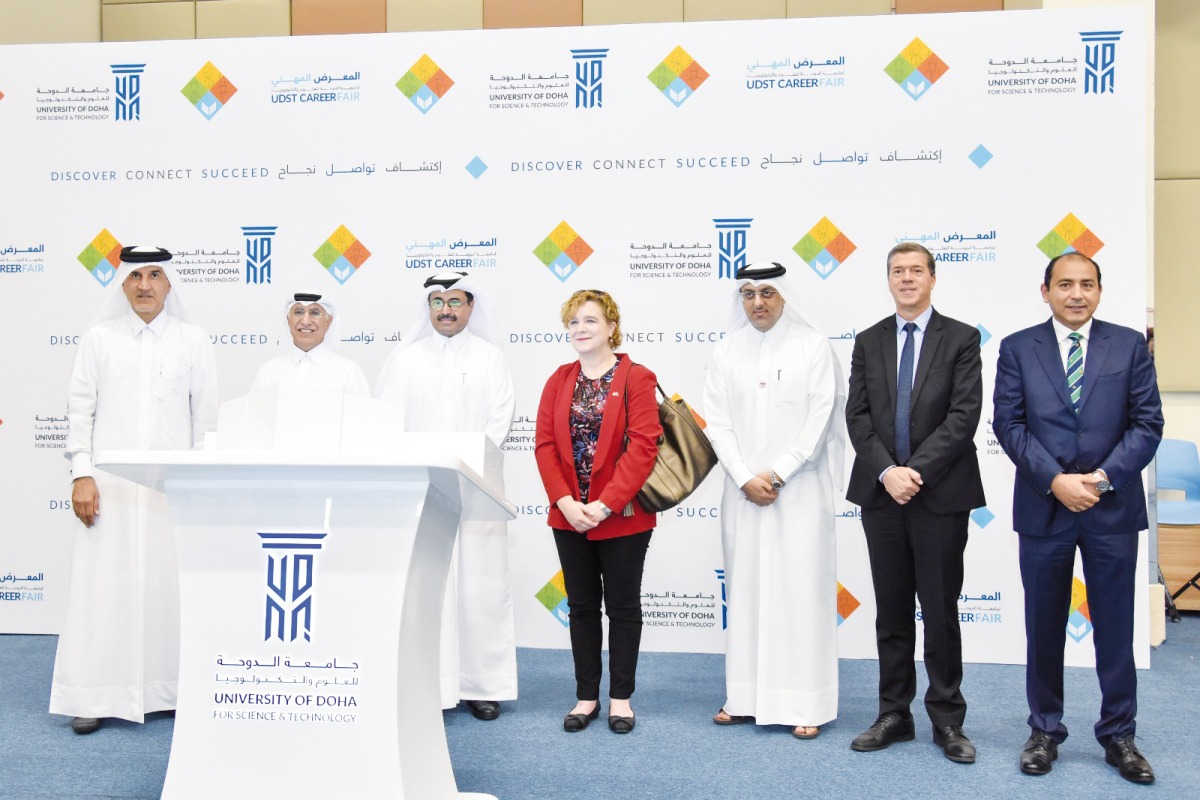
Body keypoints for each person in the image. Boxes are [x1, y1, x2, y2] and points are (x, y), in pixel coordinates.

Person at [992, 252, 1162, 784]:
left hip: (1111, 508)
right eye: (1065, 284)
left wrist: (1101, 479)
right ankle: (1044, 730)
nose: (1076, 294)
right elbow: (1009, 424)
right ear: (1044, 290)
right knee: (1044, 627)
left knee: (1115, 627)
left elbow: (1148, 423)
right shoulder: (1018, 347)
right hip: (1046, 506)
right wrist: (1057, 480)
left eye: (1087, 284)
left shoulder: (1130, 344)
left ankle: (1119, 734)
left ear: (1100, 291)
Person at [51, 245, 219, 735]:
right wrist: (81, 473)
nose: (145, 285)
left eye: (155, 276)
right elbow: (80, 412)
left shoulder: (193, 339)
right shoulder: (99, 338)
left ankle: (171, 691)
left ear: (169, 285)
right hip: (109, 488)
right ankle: (94, 694)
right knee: (101, 590)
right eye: (135, 277)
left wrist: (200, 488)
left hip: (171, 491)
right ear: (122, 285)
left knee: (169, 588)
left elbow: (205, 420)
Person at [845, 241, 984, 763]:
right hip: (881, 495)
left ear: (932, 278)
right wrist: (887, 471)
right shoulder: (868, 341)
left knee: (941, 609)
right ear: (888, 280)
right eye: (898, 271)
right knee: (892, 611)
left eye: (916, 271)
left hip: (940, 494)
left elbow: (963, 417)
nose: (907, 279)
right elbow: (857, 416)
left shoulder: (963, 339)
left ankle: (948, 720)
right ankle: (893, 714)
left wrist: (915, 472)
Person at [702, 262, 845, 740]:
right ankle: (743, 697)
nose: (757, 302)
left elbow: (820, 419)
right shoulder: (726, 350)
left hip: (799, 493)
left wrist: (778, 473)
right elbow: (717, 424)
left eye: (766, 292)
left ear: (785, 296)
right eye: (748, 294)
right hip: (742, 493)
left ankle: (806, 703)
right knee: (746, 594)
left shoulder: (813, 346)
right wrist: (744, 476)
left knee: (800, 595)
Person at [376, 271, 517, 721]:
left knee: (480, 588)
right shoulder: (405, 359)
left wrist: (467, 474)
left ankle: (482, 685)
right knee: (424, 586)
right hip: (420, 490)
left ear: (471, 307)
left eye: (455, 301)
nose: (446, 309)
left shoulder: (491, 358)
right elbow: (390, 421)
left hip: (478, 489)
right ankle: (424, 684)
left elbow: (499, 422)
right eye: (437, 302)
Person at [534, 289, 662, 734]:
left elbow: (645, 446)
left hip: (624, 516)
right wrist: (566, 502)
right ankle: (586, 696)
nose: (581, 330)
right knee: (582, 608)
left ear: (611, 326)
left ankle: (620, 699)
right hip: (568, 516)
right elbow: (545, 445)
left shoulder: (637, 377)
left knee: (623, 607)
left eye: (590, 321)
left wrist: (606, 504)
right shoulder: (558, 378)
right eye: (573, 322)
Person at [251, 292, 370, 396]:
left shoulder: (348, 373)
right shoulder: (268, 371)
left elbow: (362, 419)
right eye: (299, 312)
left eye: (315, 313)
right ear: (288, 320)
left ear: (328, 321)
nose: (305, 322)